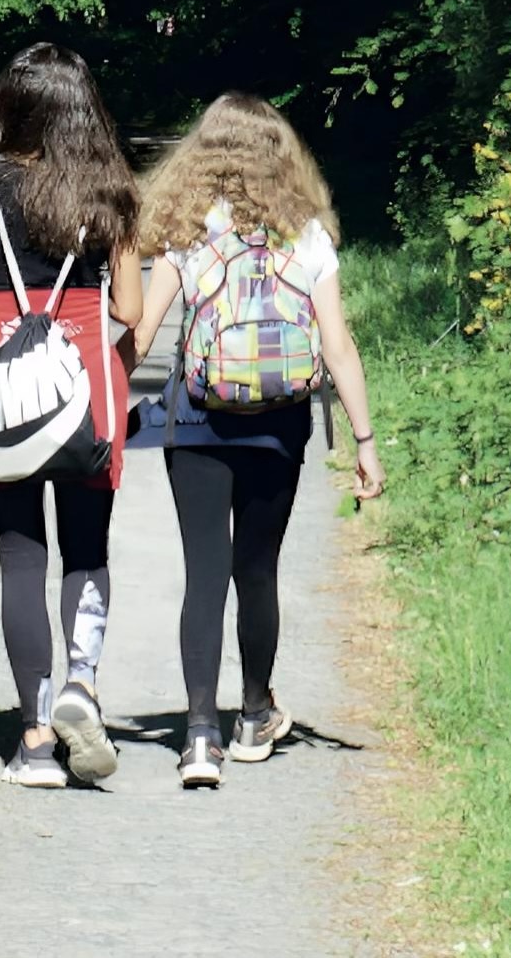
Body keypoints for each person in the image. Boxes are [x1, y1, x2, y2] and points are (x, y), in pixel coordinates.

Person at [128, 92, 386, 789]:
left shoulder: (189, 229)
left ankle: (200, 737)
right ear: (281, 153)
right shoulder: (306, 234)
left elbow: (144, 333)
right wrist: (364, 440)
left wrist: (102, 397)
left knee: (205, 575)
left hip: (199, 421)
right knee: (258, 571)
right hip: (276, 427)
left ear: (202, 154)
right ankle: (253, 715)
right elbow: (337, 345)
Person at [0, 43, 143, 789]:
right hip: (83, 376)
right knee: (87, 546)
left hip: (5, 382)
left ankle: (30, 738)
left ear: (11, 102)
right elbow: (128, 307)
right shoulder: (111, 186)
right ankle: (80, 686)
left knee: (19, 556)